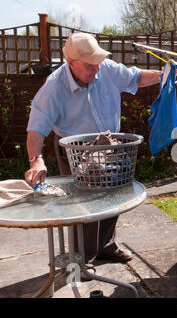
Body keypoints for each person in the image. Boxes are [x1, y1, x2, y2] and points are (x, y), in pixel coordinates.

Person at [24, 32, 166, 271]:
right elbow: (35, 131)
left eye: (98, 61)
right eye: (90, 64)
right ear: (70, 63)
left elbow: (137, 78)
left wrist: (168, 76)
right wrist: (35, 160)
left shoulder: (107, 69)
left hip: (110, 145)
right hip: (75, 152)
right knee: (84, 205)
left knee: (114, 196)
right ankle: (82, 259)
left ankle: (106, 246)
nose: (97, 68)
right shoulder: (53, 88)